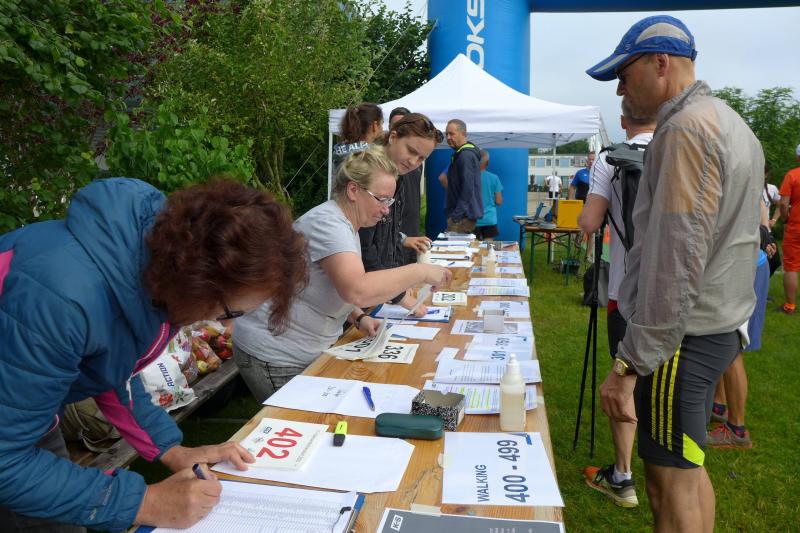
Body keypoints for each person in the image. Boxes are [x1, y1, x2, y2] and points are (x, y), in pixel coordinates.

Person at [0, 178, 309, 531]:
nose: (228, 328)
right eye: (230, 313)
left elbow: (113, 372)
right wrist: (145, 502)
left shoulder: (155, 275)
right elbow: (6, 460)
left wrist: (172, 450)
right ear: (203, 280)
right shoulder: (61, 300)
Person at [587, 15, 763, 532]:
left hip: (679, 338)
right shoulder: (729, 121)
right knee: (688, 466)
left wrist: (629, 365)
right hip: (715, 325)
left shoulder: (685, 129)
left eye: (624, 75)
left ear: (660, 63)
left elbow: (674, 261)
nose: (620, 89)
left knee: (668, 485)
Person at [232, 146, 452, 402]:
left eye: (390, 201)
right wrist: (420, 271)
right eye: (381, 199)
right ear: (353, 190)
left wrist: (359, 318)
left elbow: (327, 284)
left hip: (298, 348)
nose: (386, 210)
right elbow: (357, 289)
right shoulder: (329, 224)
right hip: (277, 354)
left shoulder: (343, 224)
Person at [578, 99, 656, 508]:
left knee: (622, 381)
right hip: (677, 295)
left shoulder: (610, 160)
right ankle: (668, 468)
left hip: (626, 293)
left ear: (624, 120)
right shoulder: (680, 150)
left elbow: (590, 222)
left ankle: (623, 476)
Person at [708, 201, 776, 449]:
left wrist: (764, 233)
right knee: (719, 336)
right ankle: (718, 405)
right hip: (742, 261)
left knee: (730, 344)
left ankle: (736, 429)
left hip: (742, 265)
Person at [359, 113, 442, 307]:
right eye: (411, 151)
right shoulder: (369, 174)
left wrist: (398, 281)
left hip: (380, 287)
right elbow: (364, 246)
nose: (413, 162)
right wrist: (397, 293)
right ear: (393, 137)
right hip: (363, 289)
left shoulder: (399, 175)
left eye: (421, 158)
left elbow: (389, 233)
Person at [444, 118, 483, 233]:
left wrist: (455, 216)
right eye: (446, 134)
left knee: (455, 245)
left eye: (451, 134)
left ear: (463, 134)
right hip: (462, 215)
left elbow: (467, 189)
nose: (448, 138)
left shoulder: (465, 156)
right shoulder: (462, 154)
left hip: (462, 217)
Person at [777, 143, 800, 314]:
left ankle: (790, 306)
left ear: (798, 157)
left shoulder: (792, 175)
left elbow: (784, 204)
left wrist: (785, 219)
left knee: (791, 266)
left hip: (796, 226)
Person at [475, 149, 504, 241]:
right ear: (487, 162)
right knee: (488, 247)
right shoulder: (494, 178)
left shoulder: (467, 177)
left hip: (472, 219)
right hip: (489, 219)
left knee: (472, 247)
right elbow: (499, 201)